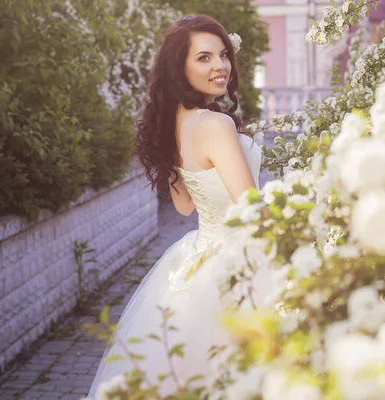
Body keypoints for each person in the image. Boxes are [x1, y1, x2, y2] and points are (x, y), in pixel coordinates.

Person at [88, 15, 267, 398]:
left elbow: (185, 207)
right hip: (240, 258)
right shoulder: (215, 125)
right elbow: (252, 210)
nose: (220, 66)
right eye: (203, 58)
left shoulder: (174, 124)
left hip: (196, 260)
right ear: (180, 68)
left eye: (223, 55)